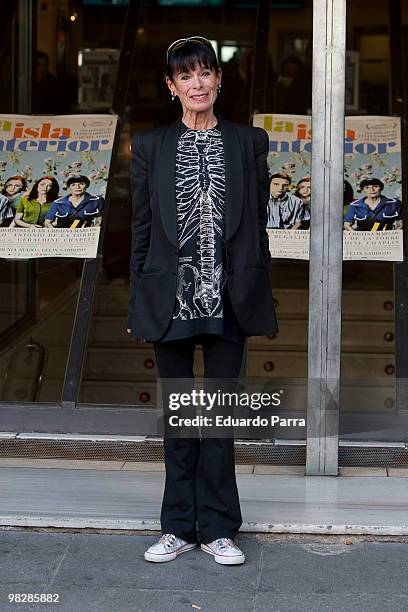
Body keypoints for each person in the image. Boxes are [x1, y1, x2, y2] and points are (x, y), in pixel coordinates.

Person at [127, 36, 277, 566]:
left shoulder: (249, 141)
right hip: (170, 299)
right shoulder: (149, 146)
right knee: (178, 419)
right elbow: (141, 227)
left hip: (229, 298)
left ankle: (218, 529)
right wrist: (137, 299)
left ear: (219, 80)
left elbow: (257, 223)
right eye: (185, 76)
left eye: (205, 73)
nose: (197, 84)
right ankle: (176, 528)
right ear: (172, 87)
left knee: (216, 421)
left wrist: (259, 287)